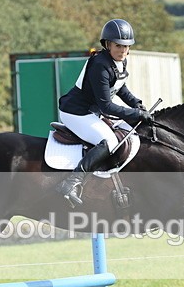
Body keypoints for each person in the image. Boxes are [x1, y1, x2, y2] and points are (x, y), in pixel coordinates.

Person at [56, 18, 152, 207]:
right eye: (118, 46)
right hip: (76, 112)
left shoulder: (120, 62)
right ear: (107, 44)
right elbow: (106, 106)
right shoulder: (100, 65)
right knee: (109, 141)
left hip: (92, 112)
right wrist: (135, 114)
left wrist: (137, 104)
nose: (123, 50)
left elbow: (121, 88)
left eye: (126, 46)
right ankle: (71, 182)